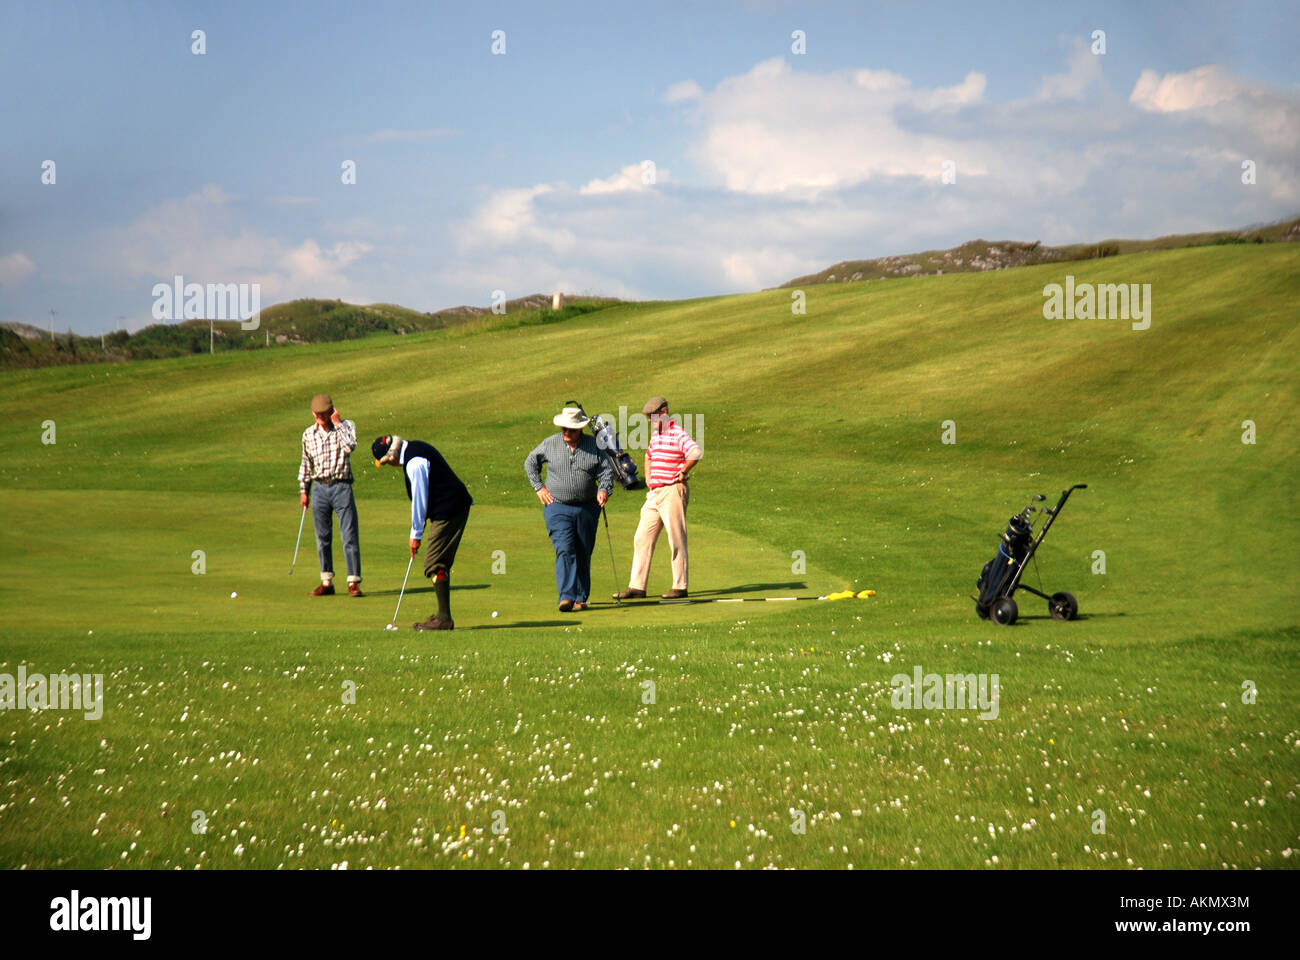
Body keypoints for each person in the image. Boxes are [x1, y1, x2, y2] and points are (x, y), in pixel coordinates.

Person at [372, 435, 471, 631]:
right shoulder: (414, 448)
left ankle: (444, 619)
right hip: (450, 506)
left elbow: (420, 499)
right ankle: (443, 616)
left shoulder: (414, 463)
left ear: (390, 457)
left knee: (434, 562)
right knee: (437, 562)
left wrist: (415, 534)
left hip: (450, 509)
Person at [524, 403, 613, 612]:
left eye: (571, 429)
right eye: (563, 428)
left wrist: (604, 490)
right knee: (565, 548)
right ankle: (566, 596)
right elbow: (530, 462)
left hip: (588, 508)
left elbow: (607, 472)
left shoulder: (594, 446)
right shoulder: (550, 444)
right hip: (557, 507)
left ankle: (581, 597)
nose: (566, 432)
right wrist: (539, 488)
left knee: (583, 551)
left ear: (580, 429)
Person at [614, 396, 702, 600]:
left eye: (651, 417)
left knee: (676, 538)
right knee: (642, 537)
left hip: (673, 490)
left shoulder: (677, 433)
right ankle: (637, 587)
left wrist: (682, 471)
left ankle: (680, 586)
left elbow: (695, 452)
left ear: (663, 413)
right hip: (655, 494)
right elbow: (649, 456)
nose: (648, 421)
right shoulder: (657, 436)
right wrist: (650, 482)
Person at [298, 393, 362, 597]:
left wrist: (337, 423)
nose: (320, 418)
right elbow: (306, 463)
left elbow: (350, 447)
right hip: (319, 488)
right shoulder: (308, 434)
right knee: (322, 537)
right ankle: (326, 581)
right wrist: (304, 490)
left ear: (331, 411)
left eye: (324, 414)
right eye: (317, 415)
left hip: (341, 486)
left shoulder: (346, 426)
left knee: (349, 535)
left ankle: (353, 582)